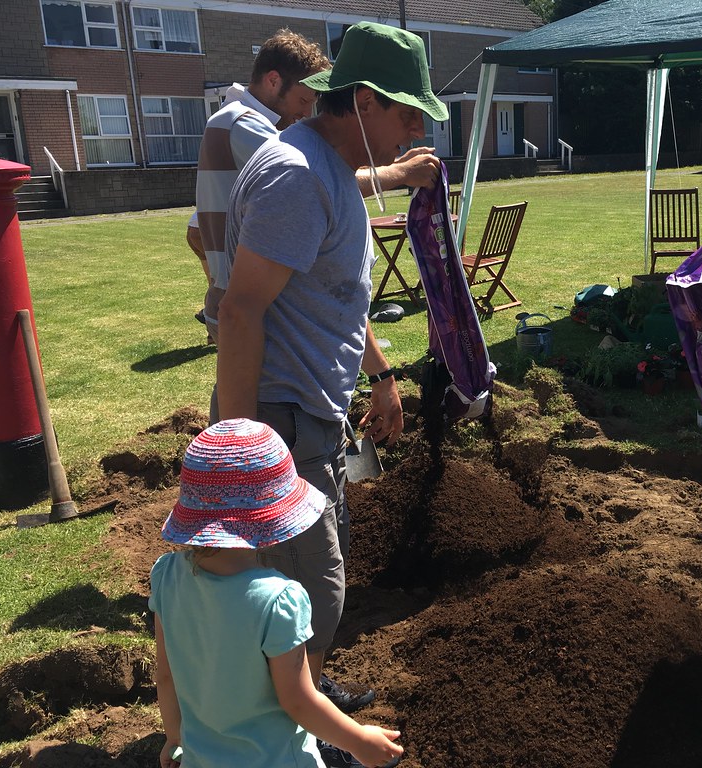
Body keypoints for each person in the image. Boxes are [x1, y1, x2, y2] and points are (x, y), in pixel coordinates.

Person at [214, 21, 446, 763]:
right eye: (410, 114)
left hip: (316, 414)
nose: (417, 130)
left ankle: (304, 700)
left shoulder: (332, 168)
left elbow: (338, 294)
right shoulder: (297, 176)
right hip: (278, 422)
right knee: (313, 590)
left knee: (318, 577)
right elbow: (241, 310)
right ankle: (292, 735)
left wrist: (380, 377)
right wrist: (243, 448)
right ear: (368, 101)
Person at [150, 418, 404, 768]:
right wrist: (360, 741)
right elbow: (298, 700)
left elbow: (166, 675)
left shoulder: (165, 576)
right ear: (270, 517)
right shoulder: (278, 601)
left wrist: (174, 738)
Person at [192, 31, 440, 345]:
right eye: (304, 100)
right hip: (266, 311)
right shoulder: (252, 130)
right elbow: (314, 177)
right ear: (273, 81)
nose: (308, 113)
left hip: (242, 294)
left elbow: (197, 226)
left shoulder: (225, 121)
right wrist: (401, 172)